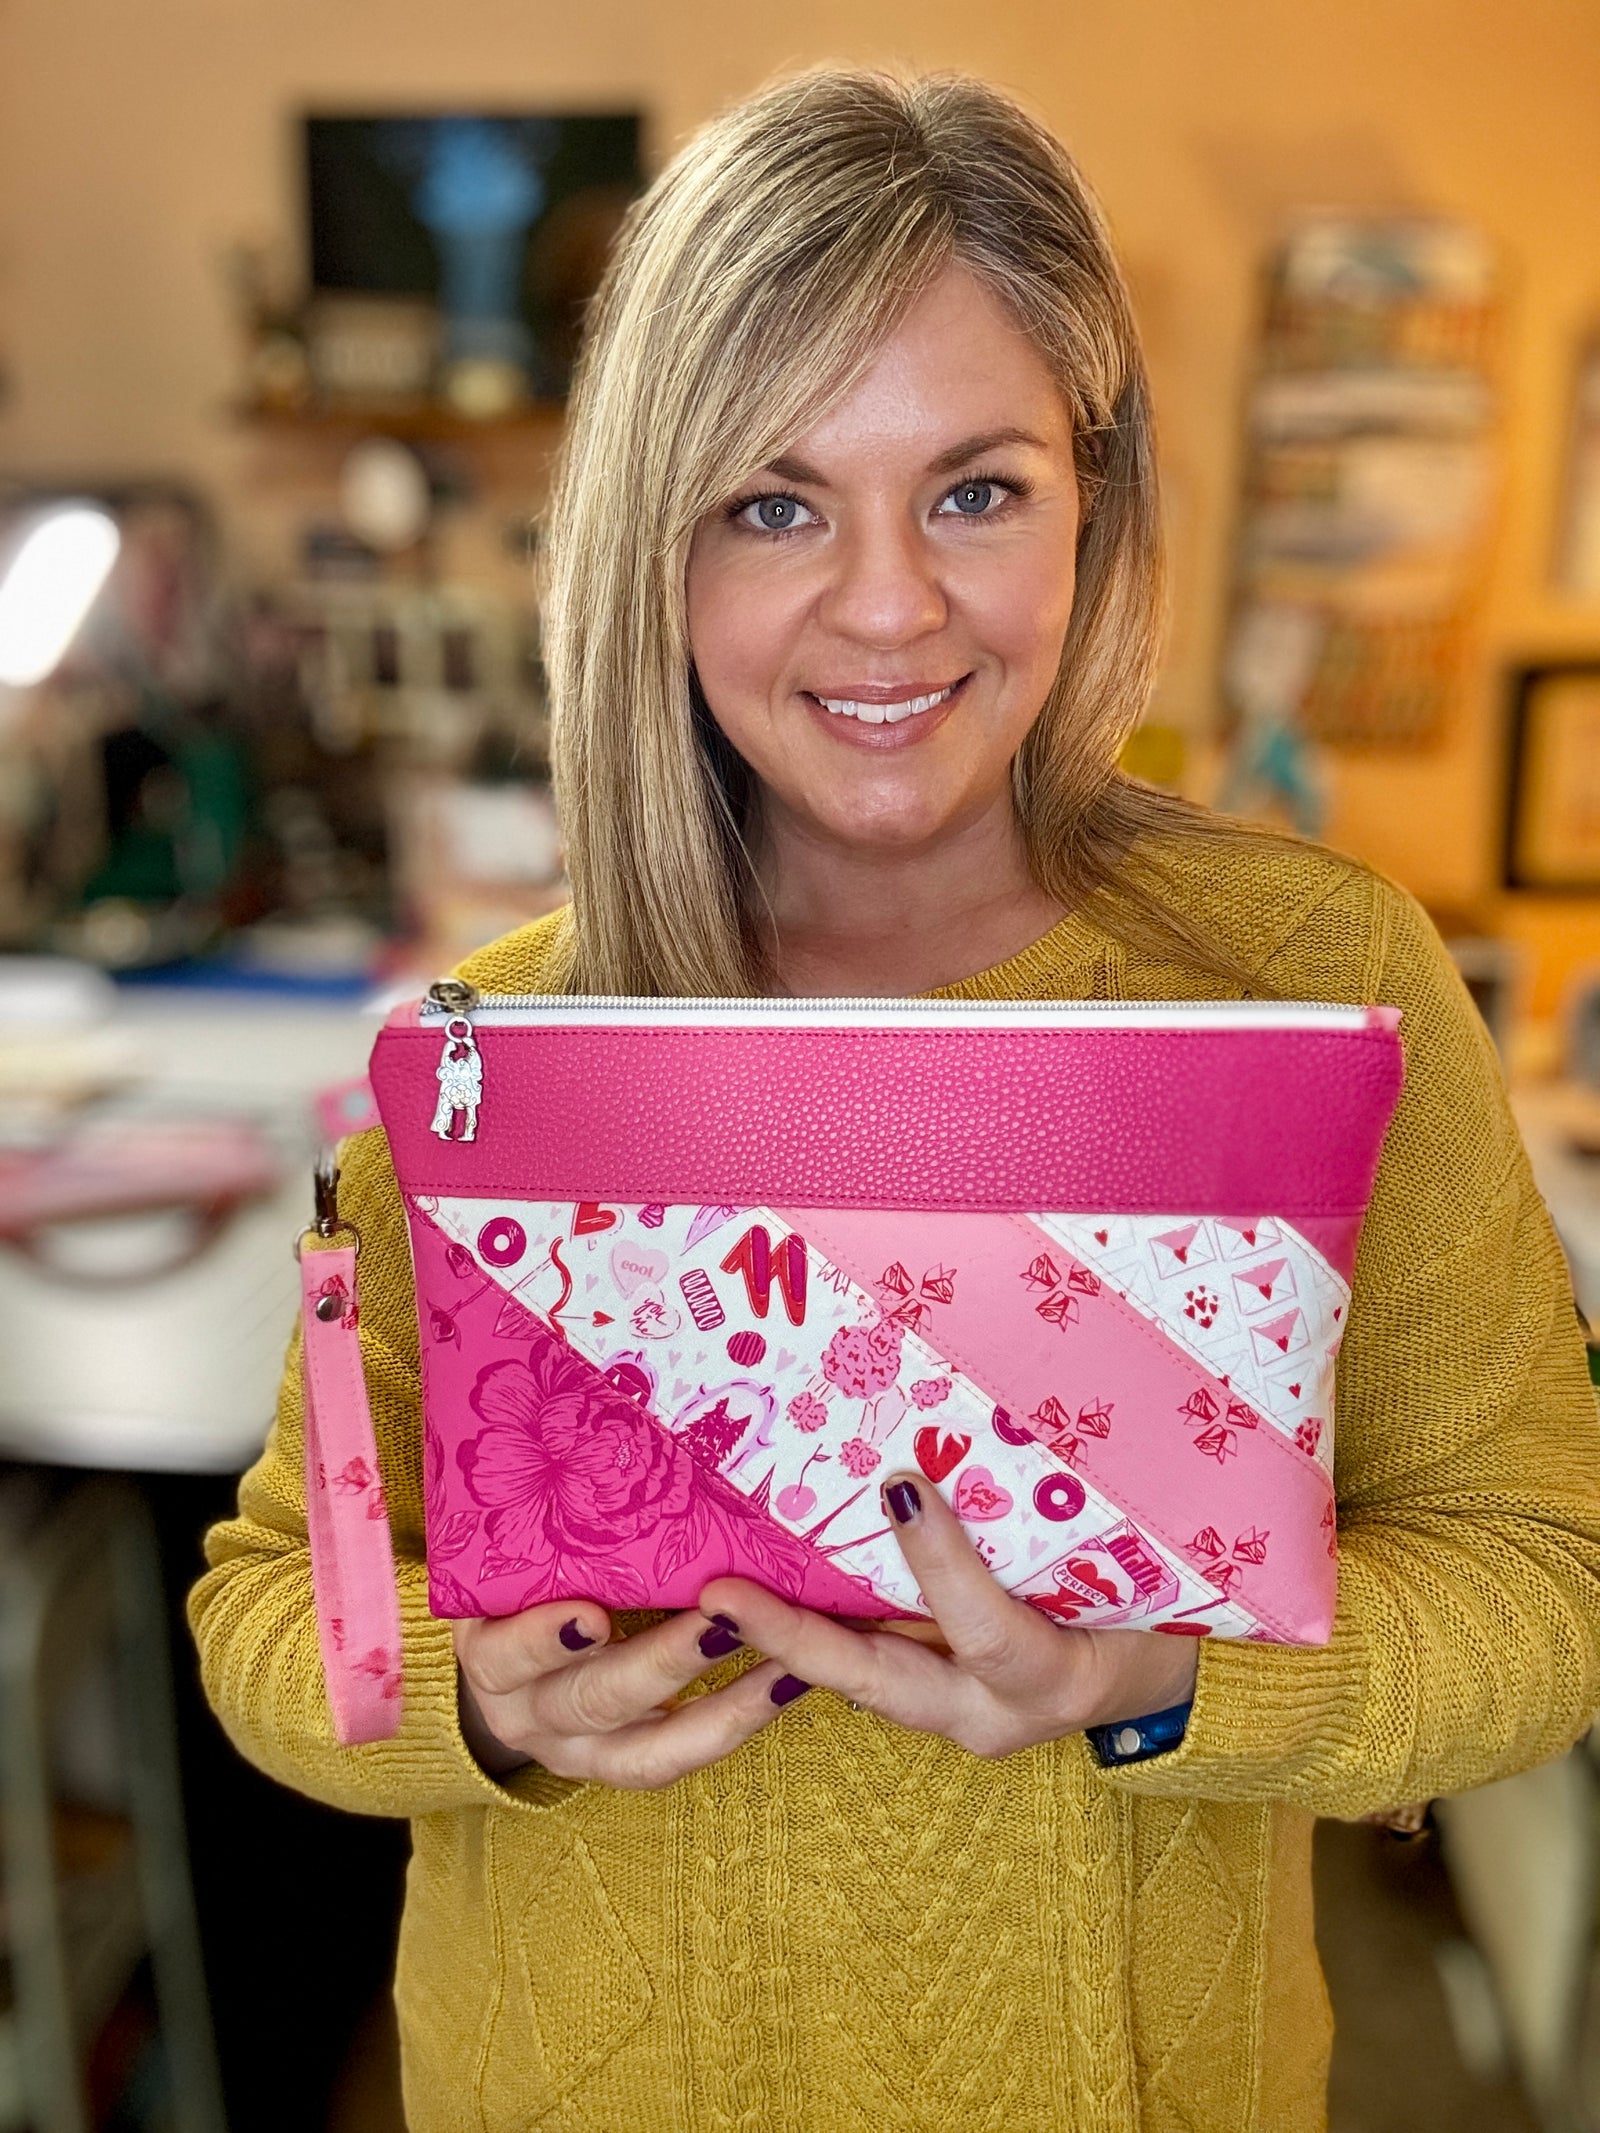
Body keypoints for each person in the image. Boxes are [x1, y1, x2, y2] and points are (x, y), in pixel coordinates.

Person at [190, 68, 1600, 2133]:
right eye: (773, 501)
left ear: (1093, 496)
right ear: (650, 546)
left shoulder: (1310, 980)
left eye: (973, 488)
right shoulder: (506, 1046)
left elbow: (1542, 1583)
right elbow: (264, 1602)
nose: (883, 603)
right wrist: (464, 1692)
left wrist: (1151, 1677)